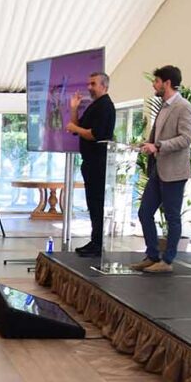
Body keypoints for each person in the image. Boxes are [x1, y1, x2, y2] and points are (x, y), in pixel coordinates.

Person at [132, 65, 191, 274]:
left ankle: (167, 260)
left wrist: (158, 146)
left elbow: (185, 139)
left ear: (167, 83)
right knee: (144, 212)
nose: (154, 85)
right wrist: (147, 144)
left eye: (157, 81)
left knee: (172, 217)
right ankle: (152, 255)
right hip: (158, 169)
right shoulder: (163, 106)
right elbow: (158, 136)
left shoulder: (184, 107)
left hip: (174, 172)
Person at [65, 71, 116, 256]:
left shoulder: (105, 106)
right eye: (89, 84)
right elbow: (77, 128)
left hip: (98, 163)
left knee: (96, 204)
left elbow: (95, 134)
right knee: (92, 204)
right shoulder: (95, 106)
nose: (89, 87)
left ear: (104, 86)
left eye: (93, 84)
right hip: (90, 162)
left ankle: (98, 243)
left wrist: (75, 128)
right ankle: (94, 241)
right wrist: (74, 109)